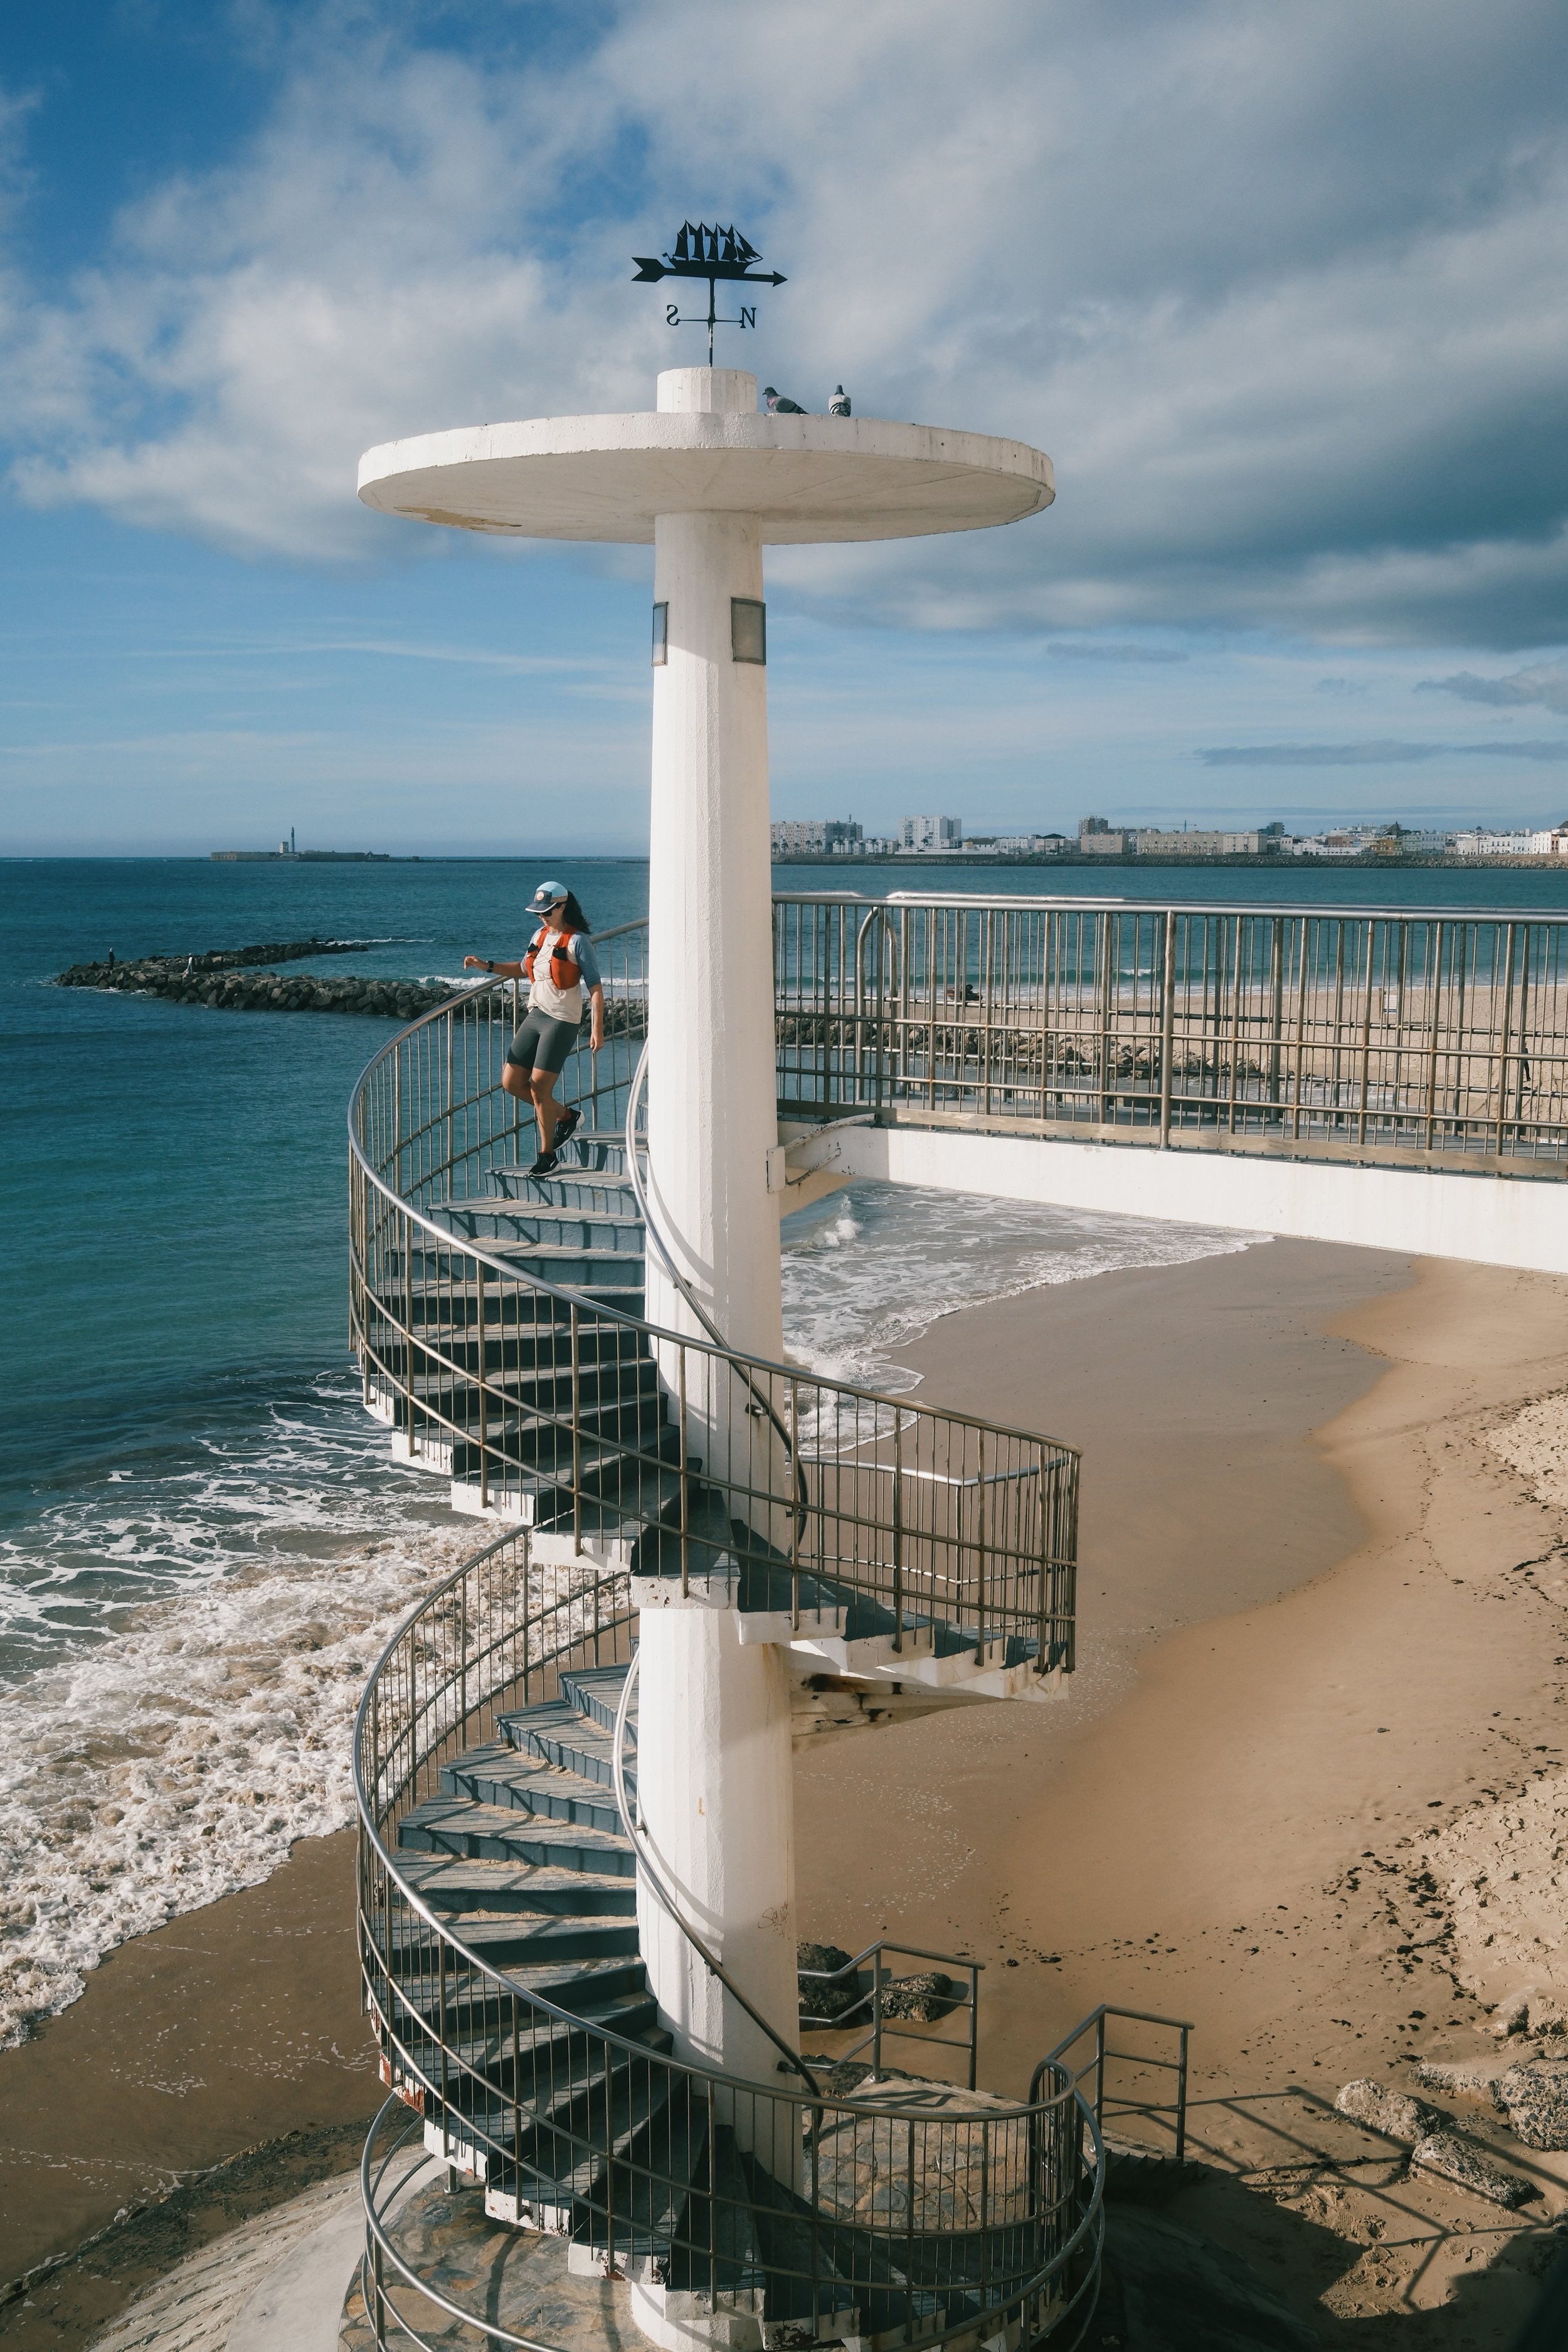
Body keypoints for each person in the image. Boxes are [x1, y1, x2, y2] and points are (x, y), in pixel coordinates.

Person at [465, 881, 604, 1177]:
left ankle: (547, 1155)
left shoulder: (578, 941)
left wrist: (597, 1028)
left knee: (540, 1088)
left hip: (562, 1020)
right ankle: (567, 1116)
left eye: (548, 911)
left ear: (563, 907)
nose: (543, 916)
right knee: (511, 1081)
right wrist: (486, 966)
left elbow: (595, 987)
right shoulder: (540, 936)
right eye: (539, 912)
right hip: (537, 1015)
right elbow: (523, 969)